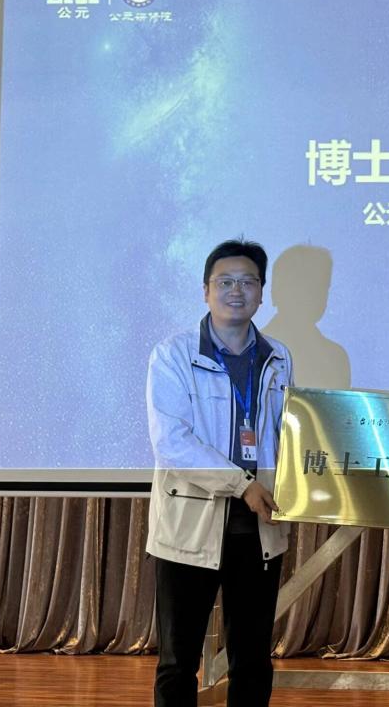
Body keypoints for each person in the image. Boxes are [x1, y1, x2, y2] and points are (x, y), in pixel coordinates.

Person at [146, 238, 293, 706]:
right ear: (205, 290)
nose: (236, 291)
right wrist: (241, 484)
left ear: (262, 292)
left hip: (259, 525)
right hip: (190, 522)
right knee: (178, 661)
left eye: (248, 282)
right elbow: (172, 443)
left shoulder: (278, 357)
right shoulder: (173, 354)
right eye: (225, 281)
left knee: (252, 660)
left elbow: (287, 435)